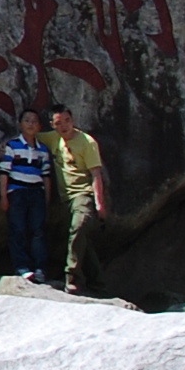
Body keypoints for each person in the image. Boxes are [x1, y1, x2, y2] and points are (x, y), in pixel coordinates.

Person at [47, 105, 109, 293]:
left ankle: (72, 275)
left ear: (73, 120)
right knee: (82, 241)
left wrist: (100, 204)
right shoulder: (52, 139)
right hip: (66, 200)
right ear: (53, 125)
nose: (64, 126)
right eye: (59, 123)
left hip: (83, 195)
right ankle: (98, 284)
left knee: (78, 227)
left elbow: (96, 174)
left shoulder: (86, 142)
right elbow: (31, 135)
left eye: (67, 121)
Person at [0, 108, 54, 283]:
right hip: (17, 192)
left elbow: (46, 176)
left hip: (36, 192)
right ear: (20, 124)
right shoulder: (12, 146)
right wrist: (4, 196)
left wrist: (47, 199)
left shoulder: (43, 150)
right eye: (27, 120)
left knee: (38, 231)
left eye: (34, 121)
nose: (31, 124)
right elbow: (4, 172)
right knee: (18, 230)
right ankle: (22, 267)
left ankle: (39, 268)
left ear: (39, 126)